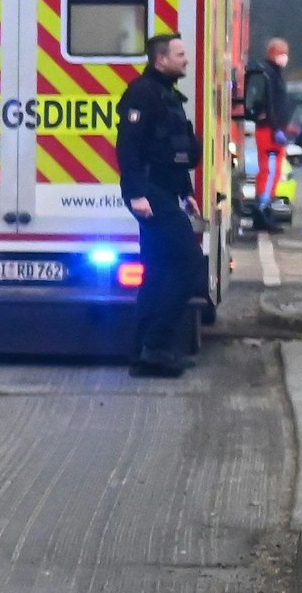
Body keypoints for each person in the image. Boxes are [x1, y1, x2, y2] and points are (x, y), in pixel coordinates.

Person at [115, 33, 207, 378]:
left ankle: (143, 354)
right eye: (180, 54)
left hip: (165, 192)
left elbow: (171, 152)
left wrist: (187, 193)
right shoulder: (142, 93)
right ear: (161, 60)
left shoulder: (167, 95)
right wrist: (136, 193)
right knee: (188, 265)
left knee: (156, 274)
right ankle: (157, 344)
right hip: (150, 194)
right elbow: (129, 147)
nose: (186, 59)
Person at [240, 38, 292, 230]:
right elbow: (270, 103)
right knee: (269, 170)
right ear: (271, 52)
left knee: (273, 170)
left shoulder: (272, 73)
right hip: (270, 130)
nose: (284, 57)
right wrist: (277, 127)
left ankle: (265, 207)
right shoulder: (268, 74)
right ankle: (262, 209)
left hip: (273, 129)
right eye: (281, 52)